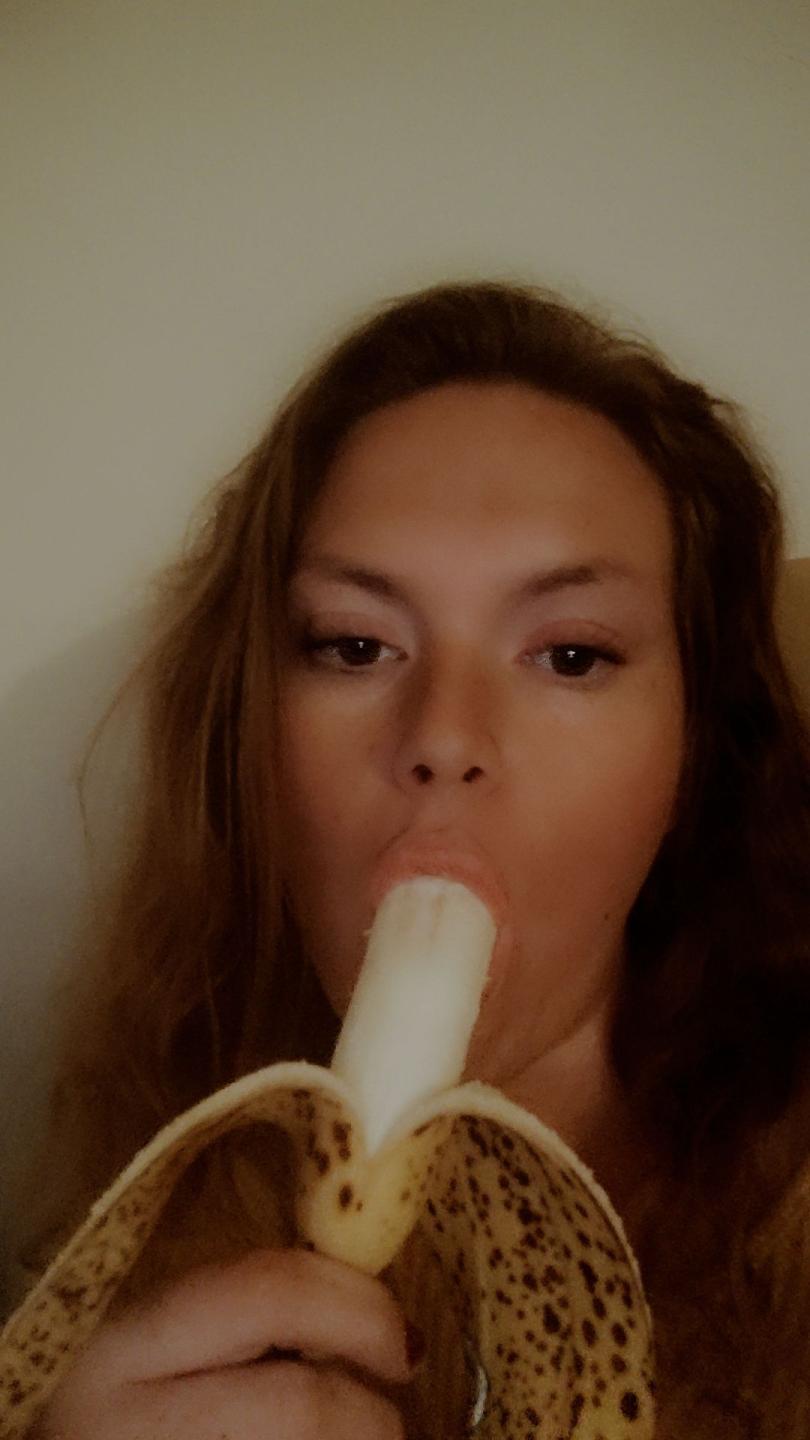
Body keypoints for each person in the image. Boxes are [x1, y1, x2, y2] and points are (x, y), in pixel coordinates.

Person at [12, 280, 810, 1438]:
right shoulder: (115, 1272)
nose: (442, 734)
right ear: (252, 740)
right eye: (353, 645)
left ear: (697, 751)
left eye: (572, 655)